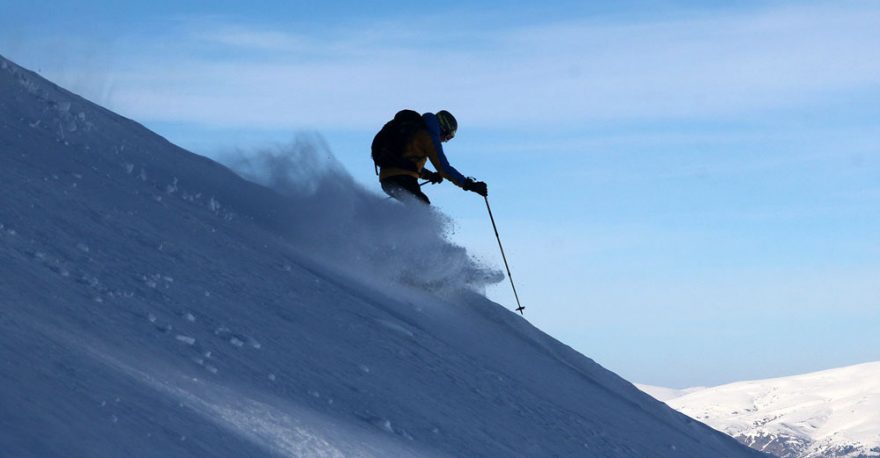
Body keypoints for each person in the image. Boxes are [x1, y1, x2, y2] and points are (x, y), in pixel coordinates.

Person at [377, 110, 487, 205]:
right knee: (422, 208)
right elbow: (444, 168)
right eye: (448, 136)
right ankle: (400, 228)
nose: (445, 140)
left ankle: (390, 225)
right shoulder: (429, 135)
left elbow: (407, 162)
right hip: (401, 179)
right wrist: (469, 185)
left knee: (418, 206)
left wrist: (430, 175)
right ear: (444, 127)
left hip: (388, 178)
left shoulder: (418, 130)